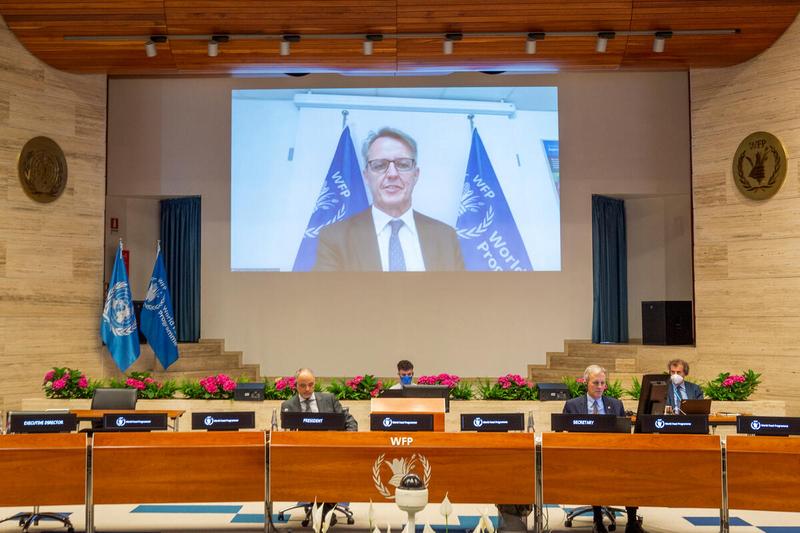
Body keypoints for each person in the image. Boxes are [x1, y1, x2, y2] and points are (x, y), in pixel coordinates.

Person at [313, 127, 465, 271]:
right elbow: (327, 297)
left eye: (403, 164)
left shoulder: (446, 237)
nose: (392, 174)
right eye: (379, 165)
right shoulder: (335, 238)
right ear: (366, 176)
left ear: (416, 175)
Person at [562, 365, 645, 533]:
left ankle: (631, 522)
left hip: (613, 455)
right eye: (595, 383)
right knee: (595, 472)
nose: (600, 387)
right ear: (586, 383)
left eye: (602, 383)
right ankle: (597, 520)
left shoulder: (615, 404)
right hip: (585, 457)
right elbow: (564, 435)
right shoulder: (573, 405)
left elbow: (624, 434)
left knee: (632, 470)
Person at [280, 368, 358, 432]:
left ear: (314, 383)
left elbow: (350, 422)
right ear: (296, 385)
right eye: (303, 385)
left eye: (310, 385)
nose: (307, 389)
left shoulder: (329, 399)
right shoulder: (287, 406)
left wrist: (344, 440)